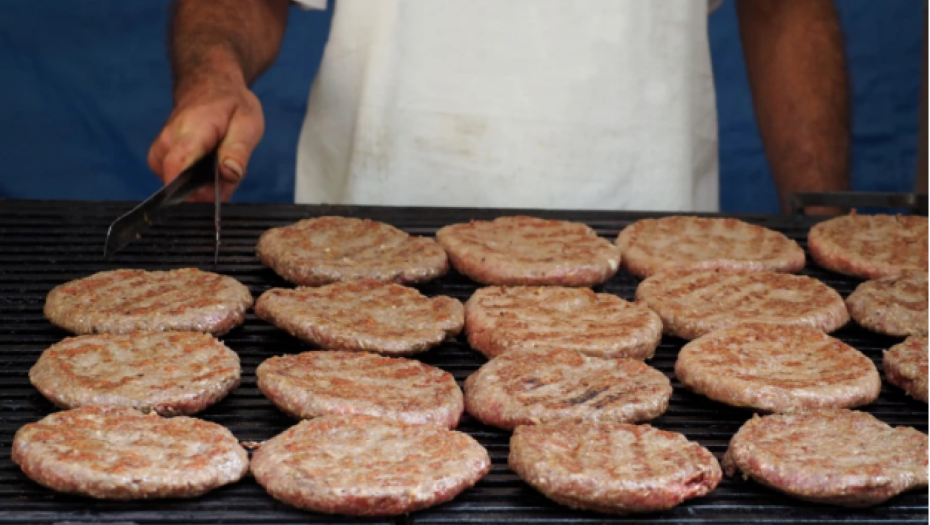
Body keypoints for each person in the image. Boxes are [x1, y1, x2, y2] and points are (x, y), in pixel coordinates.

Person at [148, 0, 849, 212]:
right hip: (361, 264)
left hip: (647, 269)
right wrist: (213, 74)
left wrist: (826, 225)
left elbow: (786, 10)